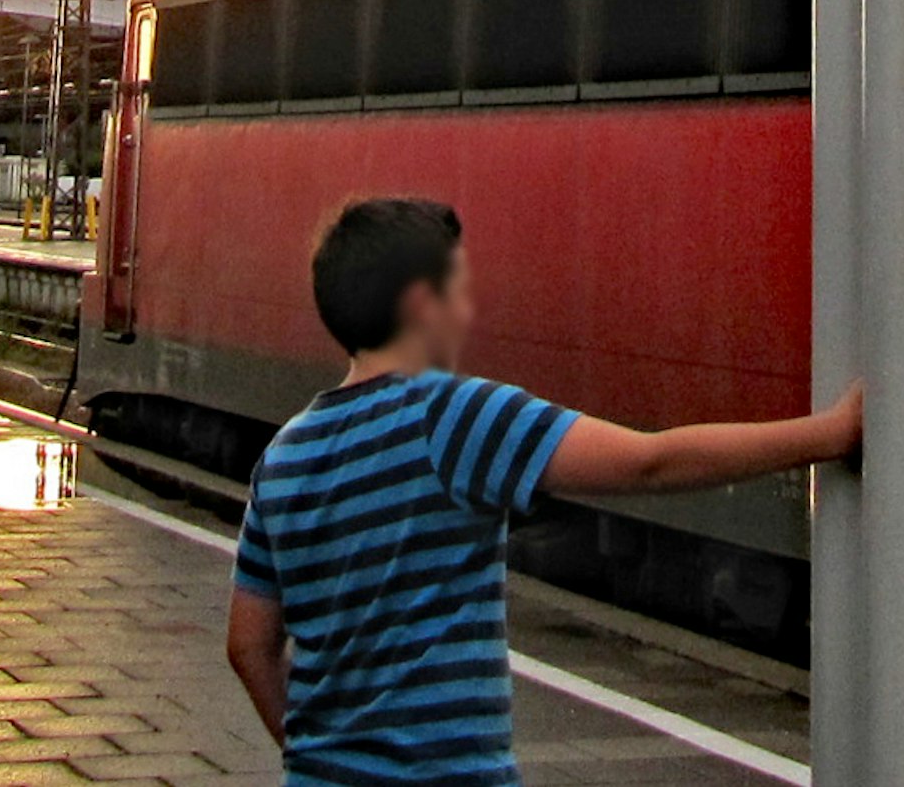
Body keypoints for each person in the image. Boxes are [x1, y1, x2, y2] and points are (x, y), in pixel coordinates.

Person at [224, 198, 857, 785]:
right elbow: (649, 464)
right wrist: (826, 435)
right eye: (460, 288)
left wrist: (316, 756)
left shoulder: (286, 455)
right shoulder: (452, 417)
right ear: (422, 303)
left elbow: (249, 646)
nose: (470, 310)